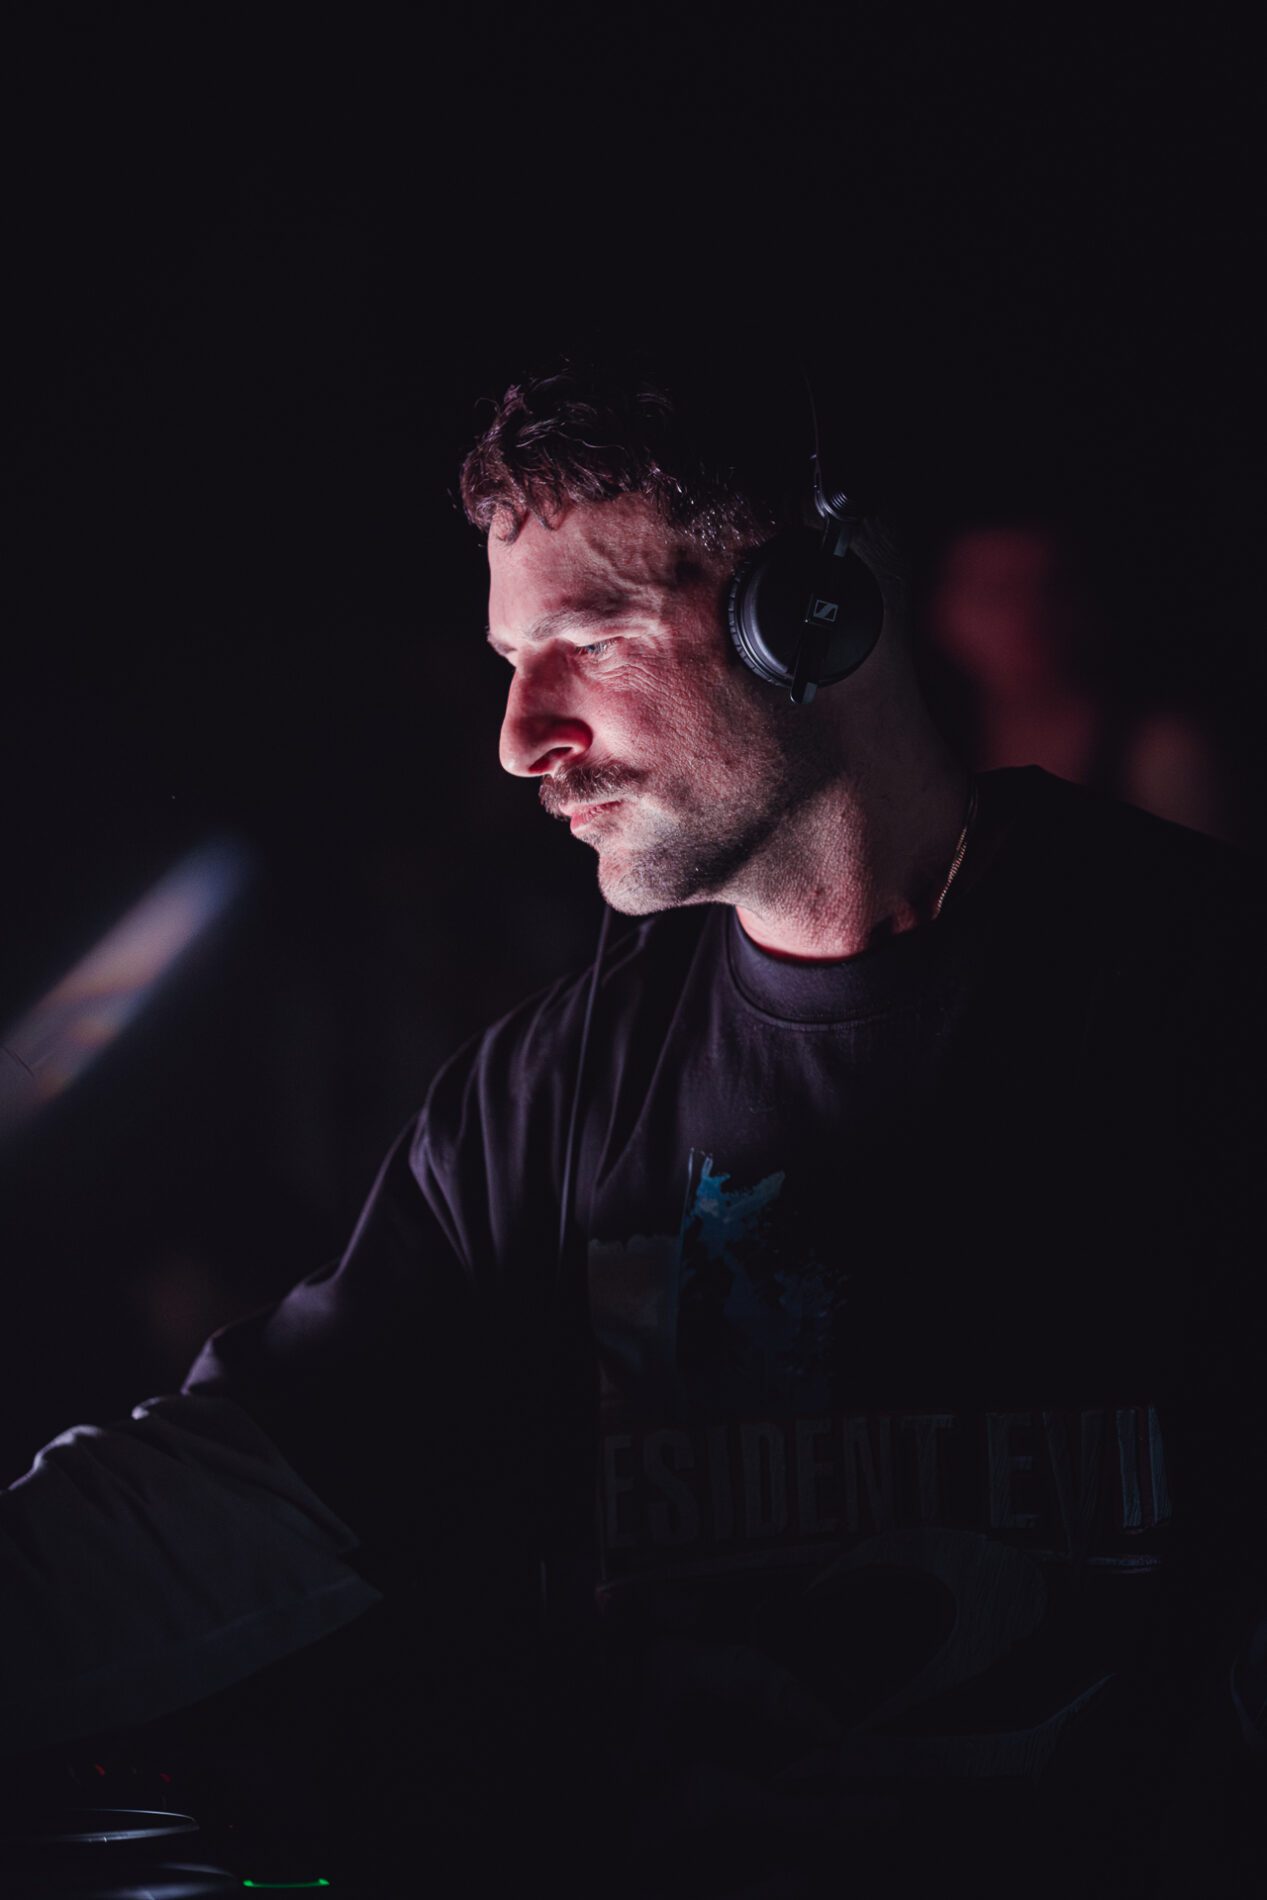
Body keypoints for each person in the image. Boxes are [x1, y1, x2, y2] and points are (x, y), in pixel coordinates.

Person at [1, 351, 1263, 1897]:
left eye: (591, 640)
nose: (521, 735)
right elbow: (245, 1490)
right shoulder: (550, 1091)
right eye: (509, 660)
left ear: (818, 616)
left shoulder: (1206, 1000)